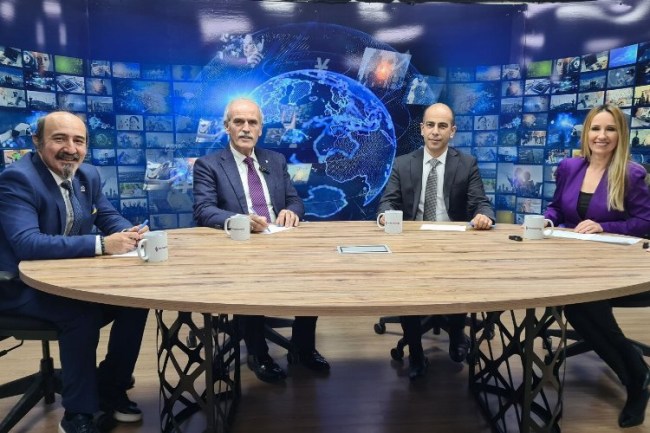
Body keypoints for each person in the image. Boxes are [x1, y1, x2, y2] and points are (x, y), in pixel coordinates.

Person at [0, 111, 149, 433]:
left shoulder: (87, 175)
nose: (70, 148)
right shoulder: (18, 179)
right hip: (16, 286)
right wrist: (101, 244)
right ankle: (78, 414)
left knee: (136, 301)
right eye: (59, 139)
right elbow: (27, 244)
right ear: (37, 142)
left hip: (62, 279)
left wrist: (132, 233)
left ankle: (111, 387)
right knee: (81, 313)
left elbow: (107, 216)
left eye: (78, 141)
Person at [193, 98, 329, 383]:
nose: (245, 128)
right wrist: (239, 220)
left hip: (279, 243)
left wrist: (292, 212)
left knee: (315, 276)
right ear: (227, 126)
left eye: (252, 122)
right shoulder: (208, 165)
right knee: (250, 280)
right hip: (239, 249)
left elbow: (294, 200)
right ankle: (259, 354)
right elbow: (204, 210)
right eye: (238, 122)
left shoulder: (275, 161)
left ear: (260, 129)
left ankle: (303, 347)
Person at [544, 104, 650, 428]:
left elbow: (645, 222)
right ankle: (635, 371)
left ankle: (636, 379)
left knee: (583, 306)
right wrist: (547, 220)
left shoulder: (631, 174)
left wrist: (605, 227)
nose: (601, 136)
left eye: (610, 129)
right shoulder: (569, 166)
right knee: (579, 309)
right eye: (595, 128)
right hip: (570, 261)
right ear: (586, 133)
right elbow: (556, 208)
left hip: (613, 265)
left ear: (621, 135)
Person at [377, 102, 495, 380]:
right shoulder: (403, 163)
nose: (435, 131)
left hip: (453, 245)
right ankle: (416, 352)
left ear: (452, 131)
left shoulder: (466, 163)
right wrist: (384, 216)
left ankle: (456, 335)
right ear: (421, 129)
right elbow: (388, 202)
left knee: (459, 278)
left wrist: (484, 216)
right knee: (406, 292)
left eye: (442, 126)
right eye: (430, 125)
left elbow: (481, 202)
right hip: (412, 245)